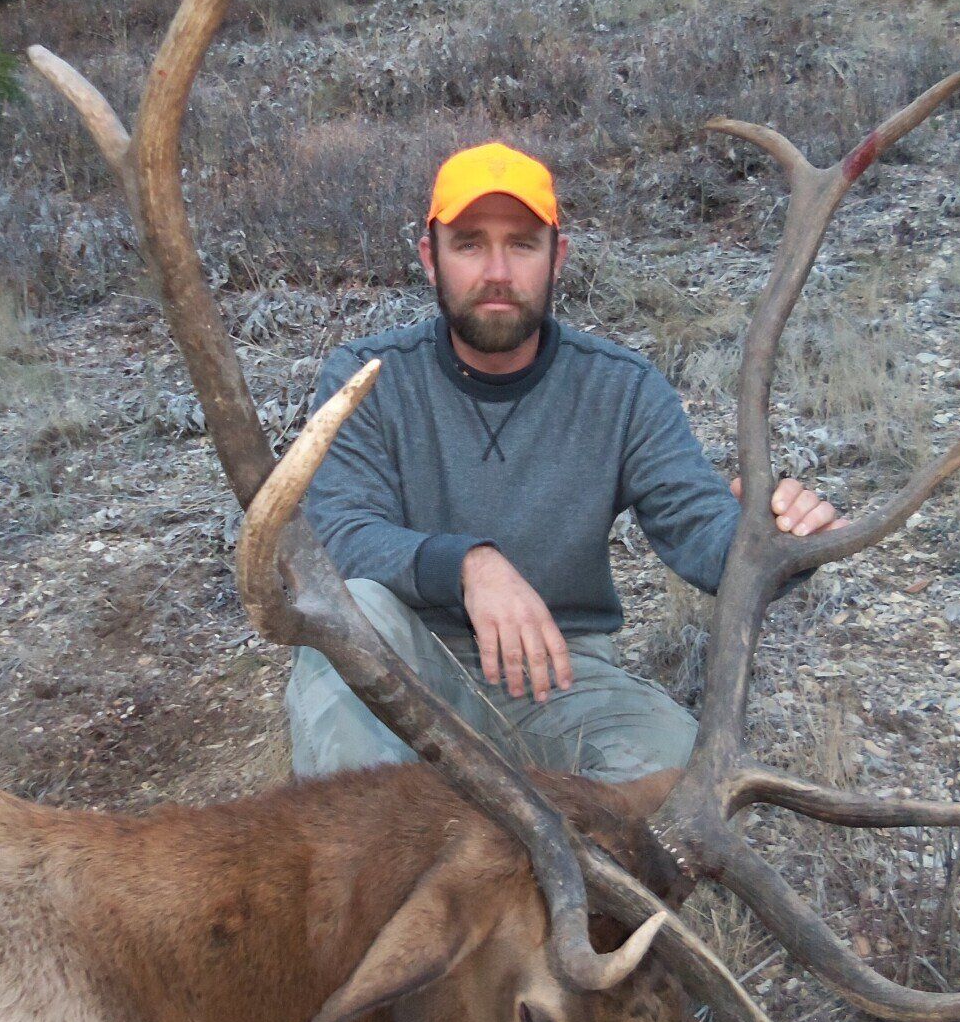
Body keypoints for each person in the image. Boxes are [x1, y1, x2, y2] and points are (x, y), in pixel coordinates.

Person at [285, 141, 845, 782]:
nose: (497, 271)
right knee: (346, 619)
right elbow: (340, 536)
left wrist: (773, 539)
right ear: (429, 259)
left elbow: (702, 531)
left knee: (689, 782)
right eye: (469, 243)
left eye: (522, 244)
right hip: (409, 657)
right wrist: (469, 566)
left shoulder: (622, 389)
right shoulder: (367, 377)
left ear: (559, 259)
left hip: (559, 678)